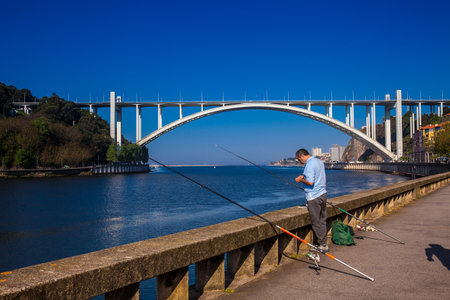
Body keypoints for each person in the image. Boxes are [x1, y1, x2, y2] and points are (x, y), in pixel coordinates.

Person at [295, 148, 328, 252]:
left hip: (314, 196)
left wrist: (300, 180)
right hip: (323, 194)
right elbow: (317, 176)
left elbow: (310, 182)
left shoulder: (309, 164)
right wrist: (304, 175)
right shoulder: (318, 161)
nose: (300, 162)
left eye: (299, 160)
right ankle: (324, 243)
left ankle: (321, 245)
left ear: (302, 156)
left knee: (315, 222)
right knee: (322, 220)